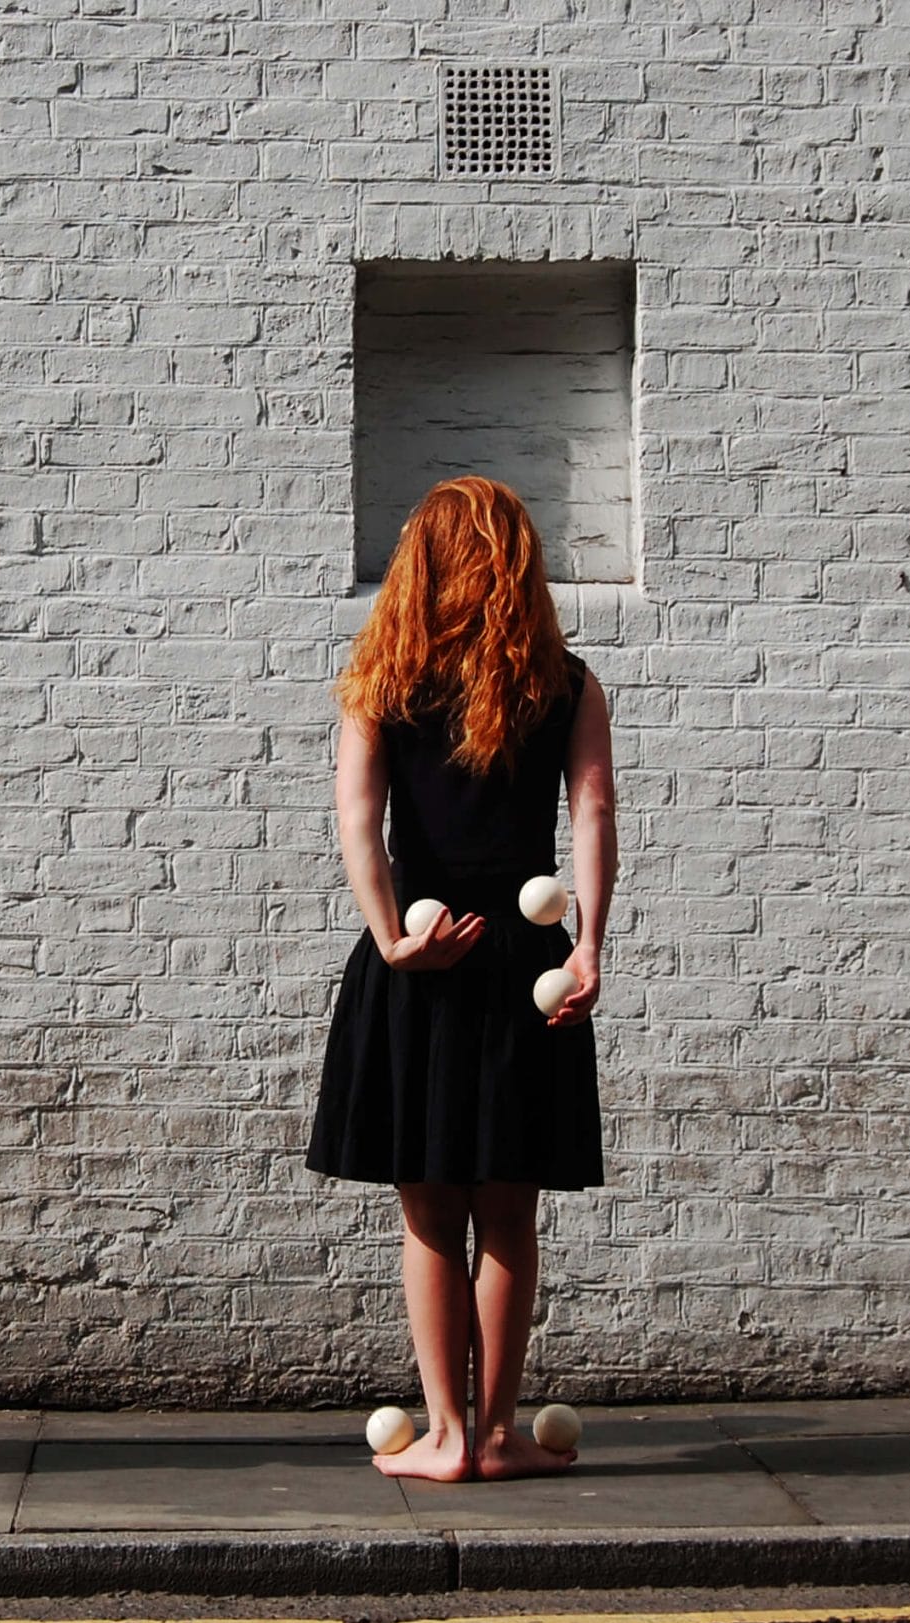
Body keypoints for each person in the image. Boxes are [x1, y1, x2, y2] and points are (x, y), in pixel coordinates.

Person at [308, 475, 615, 1483]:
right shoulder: (564, 681)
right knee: (510, 1216)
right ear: (517, 564)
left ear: (418, 566)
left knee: (431, 1215)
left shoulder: (378, 680)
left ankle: (444, 1437)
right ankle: (494, 1436)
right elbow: (594, 816)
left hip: (424, 963)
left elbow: (357, 820)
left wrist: (392, 935)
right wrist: (587, 948)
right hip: (525, 965)